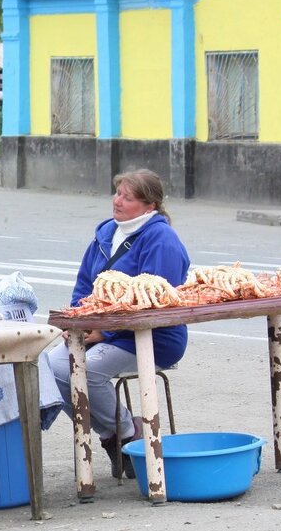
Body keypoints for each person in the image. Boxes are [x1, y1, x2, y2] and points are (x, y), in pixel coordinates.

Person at [46, 168, 190, 478]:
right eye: (117, 193)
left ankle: (122, 437)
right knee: (51, 368)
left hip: (152, 337)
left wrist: (106, 330)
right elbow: (84, 286)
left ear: (149, 205)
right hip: (104, 335)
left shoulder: (161, 239)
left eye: (127, 197)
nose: (118, 201)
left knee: (85, 370)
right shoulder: (105, 233)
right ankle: (122, 432)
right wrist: (78, 324)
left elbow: (154, 299)